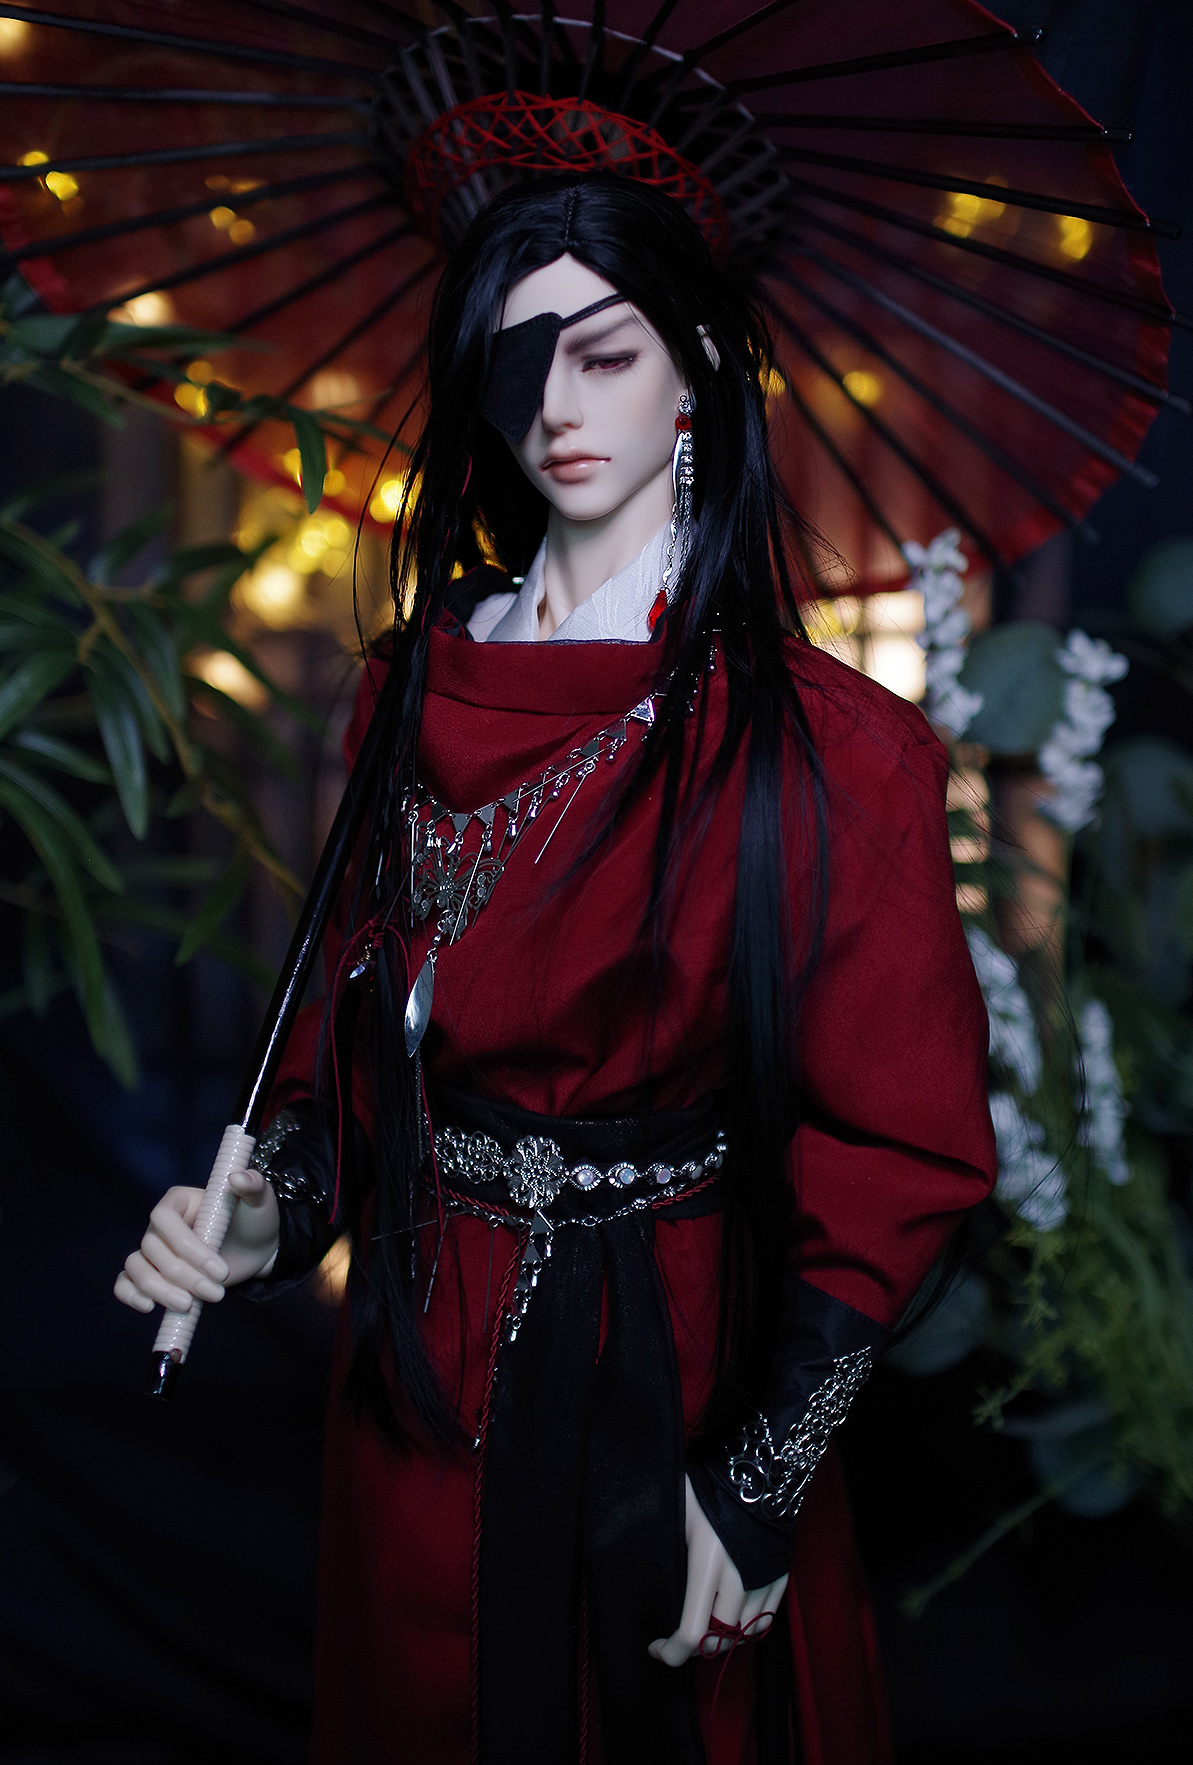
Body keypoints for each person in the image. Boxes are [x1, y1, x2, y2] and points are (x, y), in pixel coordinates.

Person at [116, 174, 996, 1764]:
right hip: (416, 1360)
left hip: (674, 1368)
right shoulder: (408, 688)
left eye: (605, 353)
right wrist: (270, 1212)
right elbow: (353, 1051)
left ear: (701, 365)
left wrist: (758, 1479)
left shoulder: (830, 752)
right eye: (518, 362)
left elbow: (902, 1151)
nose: (556, 408)